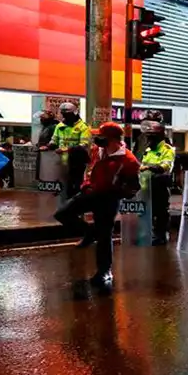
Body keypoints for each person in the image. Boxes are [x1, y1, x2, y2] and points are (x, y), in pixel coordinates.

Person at [54, 122, 140, 285]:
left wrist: (115, 191)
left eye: (101, 137)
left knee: (104, 235)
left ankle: (104, 272)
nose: (97, 139)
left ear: (113, 139)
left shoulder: (128, 160)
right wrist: (86, 185)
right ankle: (90, 232)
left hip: (108, 199)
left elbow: (133, 187)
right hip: (90, 193)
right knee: (62, 213)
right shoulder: (96, 151)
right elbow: (89, 171)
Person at [139, 120, 176, 245]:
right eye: (148, 137)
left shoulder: (167, 149)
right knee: (147, 211)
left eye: (152, 137)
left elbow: (165, 166)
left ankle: (161, 236)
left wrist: (149, 167)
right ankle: (147, 233)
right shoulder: (149, 150)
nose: (149, 140)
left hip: (160, 186)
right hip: (146, 186)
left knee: (161, 212)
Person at [44, 102, 92, 197]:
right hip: (61, 162)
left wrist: (65, 149)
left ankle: (76, 207)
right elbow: (54, 140)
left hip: (77, 162)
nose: (65, 117)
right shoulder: (60, 126)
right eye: (64, 114)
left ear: (74, 114)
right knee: (62, 187)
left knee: (75, 186)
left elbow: (84, 145)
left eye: (68, 115)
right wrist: (49, 146)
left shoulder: (83, 127)